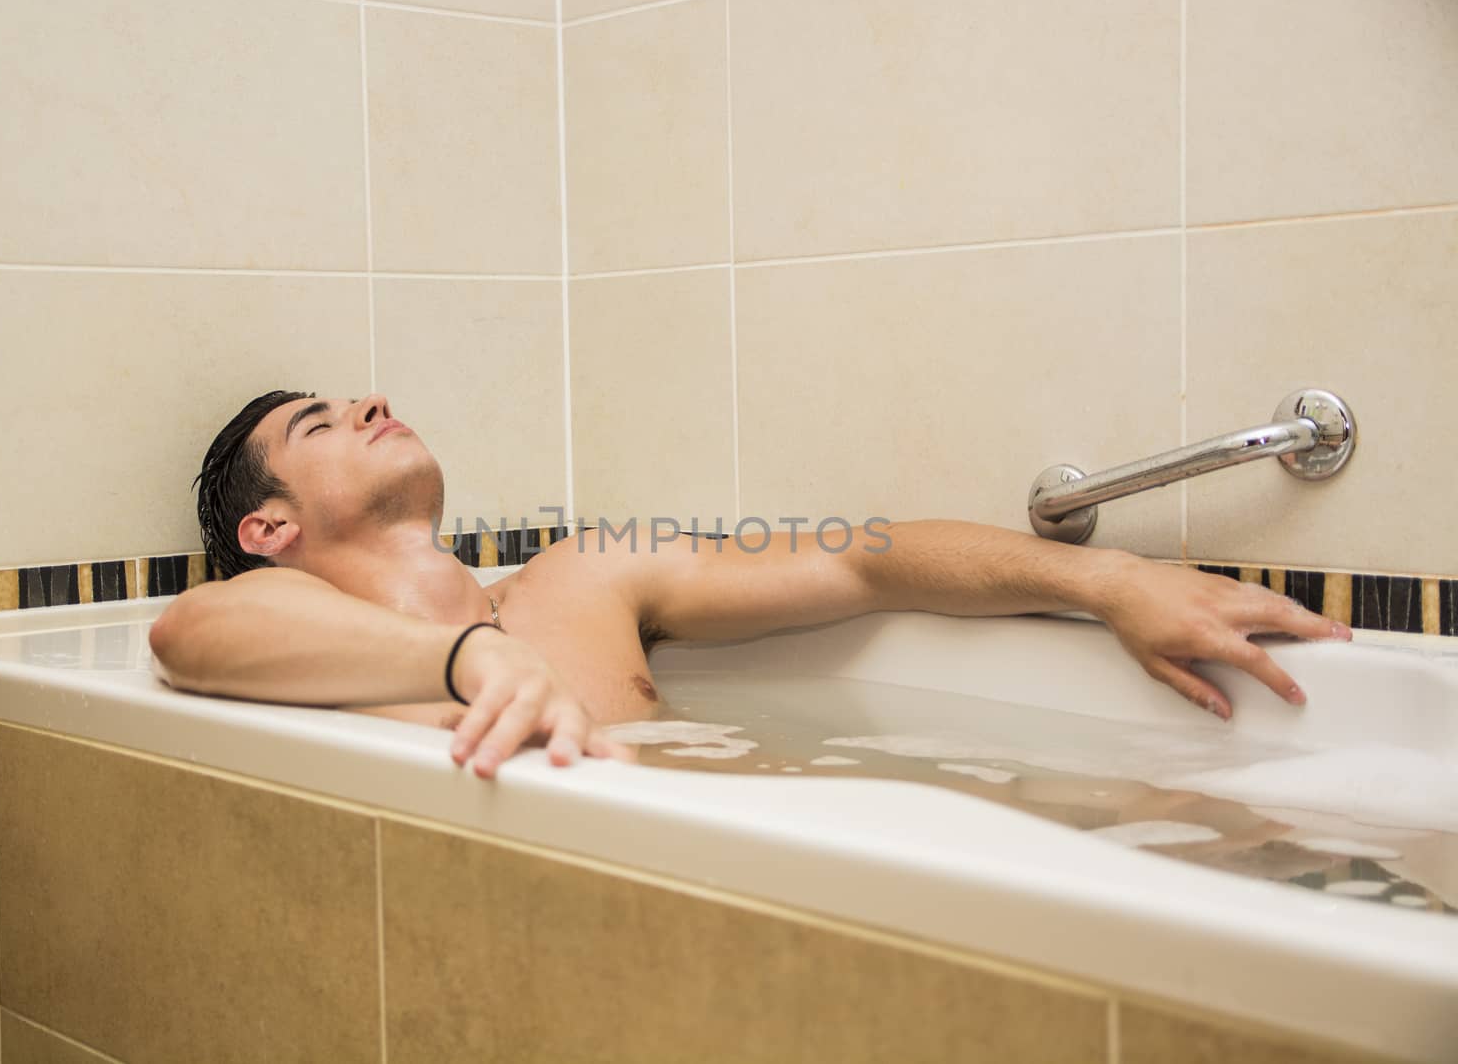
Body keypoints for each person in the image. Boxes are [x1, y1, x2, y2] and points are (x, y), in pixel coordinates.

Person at [149, 391, 1352, 779]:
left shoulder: (577, 579)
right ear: (270, 524)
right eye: (321, 421)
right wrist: (464, 662)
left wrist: (1107, 579)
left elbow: (860, 553)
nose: (367, 401)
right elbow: (192, 629)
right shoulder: (281, 624)